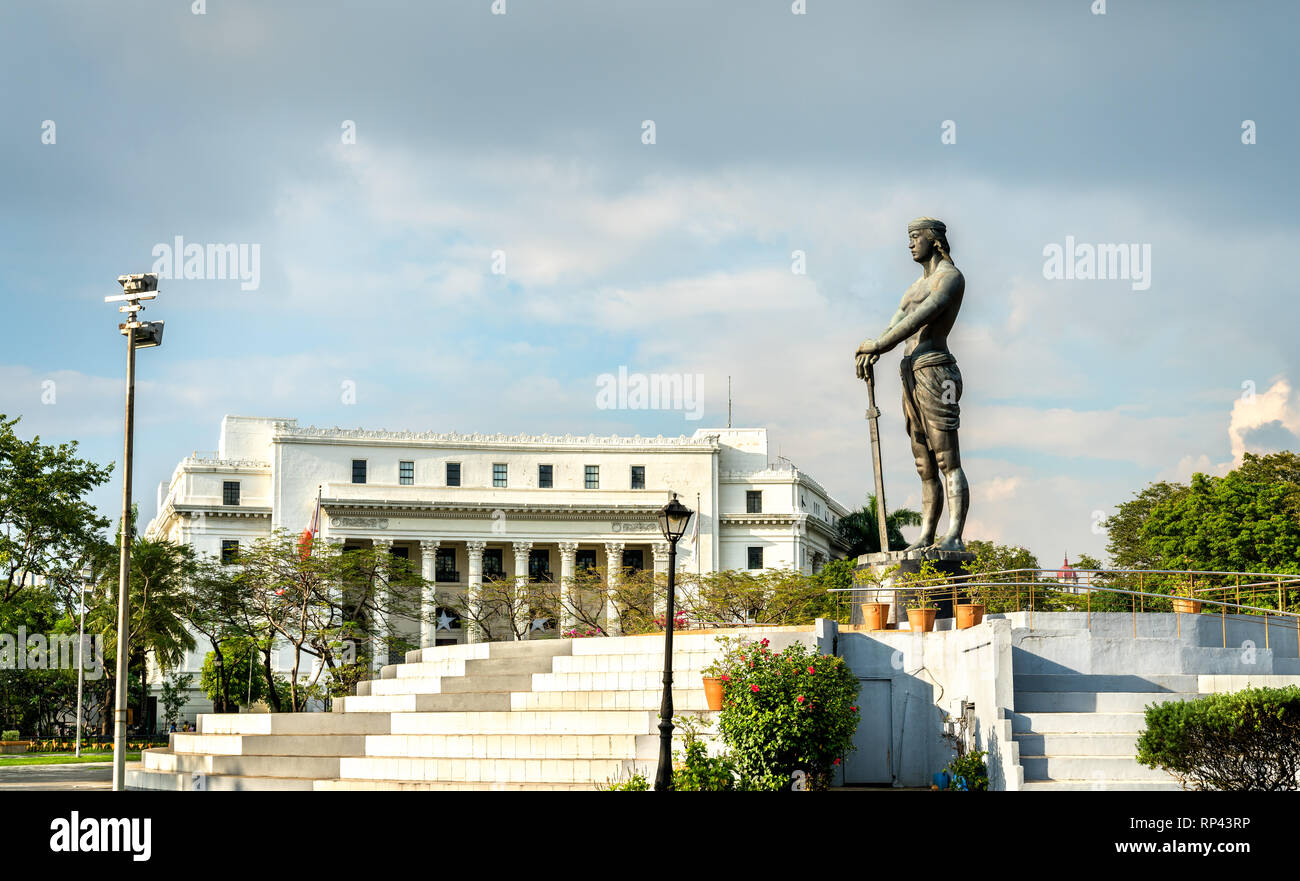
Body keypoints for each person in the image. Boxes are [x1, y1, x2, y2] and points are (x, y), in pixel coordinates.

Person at [855, 217, 970, 551]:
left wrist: (882, 345)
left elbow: (923, 316)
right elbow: (898, 321)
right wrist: (873, 346)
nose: (910, 243)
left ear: (933, 240)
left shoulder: (949, 278)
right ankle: (926, 535)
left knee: (946, 458)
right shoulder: (912, 288)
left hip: (935, 369)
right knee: (923, 462)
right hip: (909, 372)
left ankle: (954, 536)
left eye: (915, 237)